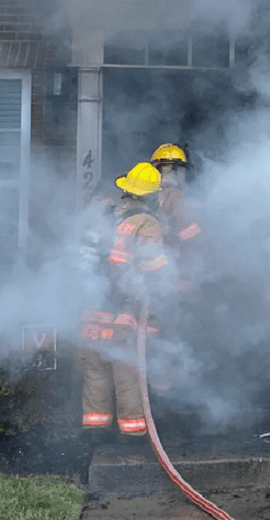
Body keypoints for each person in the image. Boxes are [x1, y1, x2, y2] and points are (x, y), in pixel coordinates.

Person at [79, 162, 169, 444]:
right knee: (127, 370)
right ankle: (132, 436)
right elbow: (155, 270)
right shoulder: (146, 223)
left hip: (90, 308)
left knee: (95, 369)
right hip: (123, 311)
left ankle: (95, 432)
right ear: (151, 195)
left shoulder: (103, 216)